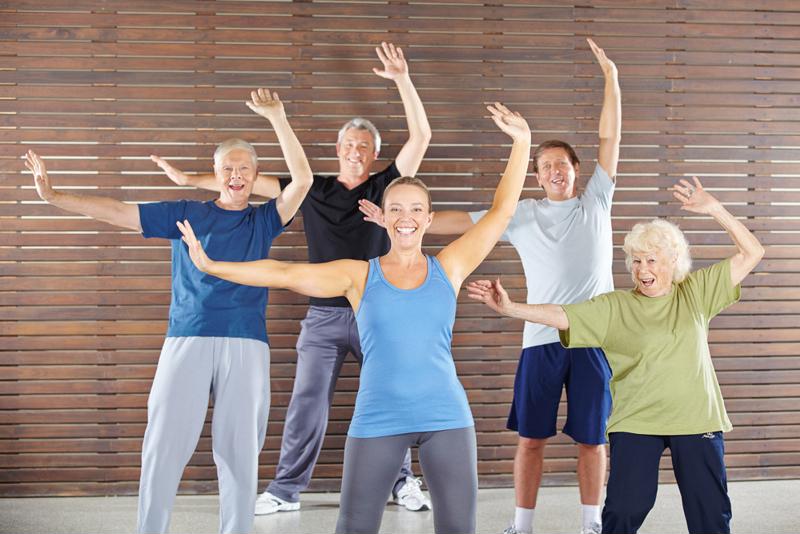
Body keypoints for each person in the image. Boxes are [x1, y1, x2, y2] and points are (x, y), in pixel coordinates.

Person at [175, 103, 531, 534]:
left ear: (429, 219)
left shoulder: (450, 267)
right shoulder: (359, 275)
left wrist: (522, 142)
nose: (406, 218)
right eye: (396, 209)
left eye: (416, 210)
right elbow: (284, 274)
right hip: (378, 418)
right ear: (382, 215)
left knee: (458, 528)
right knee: (354, 527)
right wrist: (213, 266)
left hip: (447, 417)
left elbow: (501, 213)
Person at [154, 41, 434, 514]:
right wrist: (188, 182)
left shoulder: (386, 185)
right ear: (337, 150)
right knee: (307, 403)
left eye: (363, 147)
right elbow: (240, 183)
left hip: (377, 309)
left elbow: (422, 137)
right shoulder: (312, 189)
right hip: (323, 315)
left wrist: (403, 79)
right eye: (348, 145)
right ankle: (285, 489)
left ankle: (403, 481)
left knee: (393, 395)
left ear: (374, 154)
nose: (355, 152)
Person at [358, 38, 620, 534]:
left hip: (593, 338)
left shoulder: (597, 203)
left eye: (561, 165)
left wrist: (610, 78)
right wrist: (403, 221)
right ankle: (522, 526)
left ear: (577, 172)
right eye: (543, 167)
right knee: (532, 440)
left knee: (593, 440)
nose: (553, 171)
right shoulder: (521, 215)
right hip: (540, 339)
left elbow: (610, 138)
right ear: (537, 176)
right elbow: (458, 221)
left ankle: (592, 524)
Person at [24, 87, 312, 534]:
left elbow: (305, 181)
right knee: (162, 446)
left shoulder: (264, 219)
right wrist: (55, 197)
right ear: (215, 174)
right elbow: (120, 212)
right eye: (227, 168)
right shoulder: (186, 213)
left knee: (239, 452)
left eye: (245, 169)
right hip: (188, 338)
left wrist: (277, 117)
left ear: (255, 176)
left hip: (246, 344)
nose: (236, 176)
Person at [467, 177, 765, 534]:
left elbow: (753, 252)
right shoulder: (616, 306)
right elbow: (562, 314)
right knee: (624, 510)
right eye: (636, 261)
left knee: (710, 514)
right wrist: (511, 307)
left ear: (673, 261)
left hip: (697, 420)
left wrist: (715, 209)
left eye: (651, 260)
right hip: (637, 422)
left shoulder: (696, 293)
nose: (642, 270)